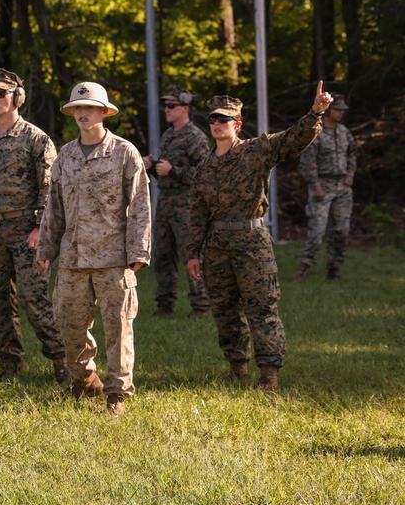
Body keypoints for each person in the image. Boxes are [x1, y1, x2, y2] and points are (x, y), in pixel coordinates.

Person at [187, 83, 332, 392]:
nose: (217, 124)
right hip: (216, 246)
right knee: (225, 311)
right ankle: (237, 369)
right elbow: (197, 212)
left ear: (237, 125)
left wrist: (316, 112)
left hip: (251, 242)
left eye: (224, 120)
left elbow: (294, 139)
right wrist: (191, 253)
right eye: (213, 119)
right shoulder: (204, 165)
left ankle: (269, 377)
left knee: (262, 309)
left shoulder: (256, 149)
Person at [38, 82, 151, 417]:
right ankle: (85, 381)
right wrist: (46, 248)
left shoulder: (124, 152)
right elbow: (53, 208)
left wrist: (139, 252)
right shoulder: (65, 157)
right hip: (73, 258)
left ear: (104, 112)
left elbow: (140, 204)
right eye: (77, 109)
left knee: (118, 327)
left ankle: (117, 393)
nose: (82, 114)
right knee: (68, 324)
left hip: (114, 258)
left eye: (89, 108)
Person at [0, 69, 67, 382]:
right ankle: (10, 362)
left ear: (17, 98)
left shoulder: (36, 139)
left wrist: (39, 228)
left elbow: (51, 188)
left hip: (26, 229)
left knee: (34, 298)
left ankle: (60, 359)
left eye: (1, 93)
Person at [143, 86, 212, 318]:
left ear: (185, 108)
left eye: (171, 106)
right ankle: (164, 305)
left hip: (187, 205)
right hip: (165, 203)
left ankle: (201, 306)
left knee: (191, 255)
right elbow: (165, 172)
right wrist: (152, 167)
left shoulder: (195, 137)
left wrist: (174, 171)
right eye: (165, 105)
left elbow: (205, 174)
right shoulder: (168, 135)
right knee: (163, 256)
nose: (167, 109)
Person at [296, 94, 357, 281]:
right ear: (329, 110)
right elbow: (307, 162)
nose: (340, 113)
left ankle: (334, 269)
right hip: (323, 185)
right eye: (337, 110)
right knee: (317, 230)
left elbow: (352, 154)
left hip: (342, 188)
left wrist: (350, 174)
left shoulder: (344, 132)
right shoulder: (317, 132)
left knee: (341, 230)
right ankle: (304, 269)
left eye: (342, 111)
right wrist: (315, 186)